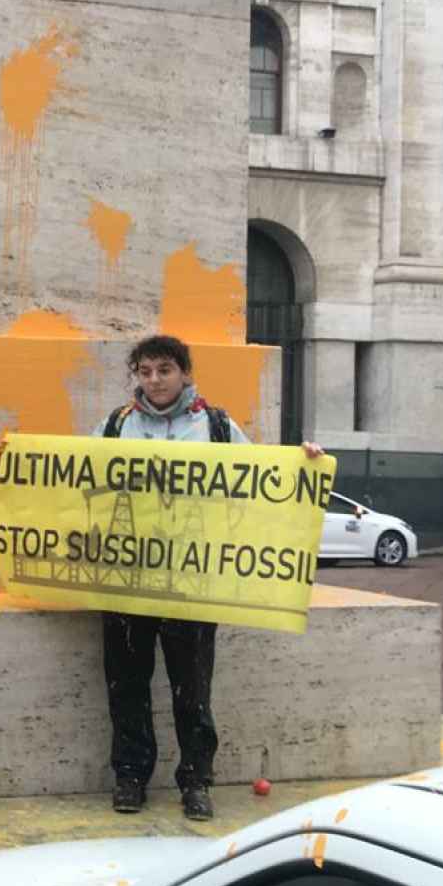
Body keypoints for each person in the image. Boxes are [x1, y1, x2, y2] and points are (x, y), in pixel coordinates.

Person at [91, 334, 325, 821]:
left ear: (185, 373)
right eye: (146, 371)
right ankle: (130, 777)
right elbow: (73, 478)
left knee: (192, 689)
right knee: (127, 684)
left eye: (164, 370)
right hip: (128, 580)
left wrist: (303, 460)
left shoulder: (216, 426)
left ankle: (196, 782)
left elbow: (262, 478)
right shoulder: (115, 426)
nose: (154, 380)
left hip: (195, 583)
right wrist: (19, 458)